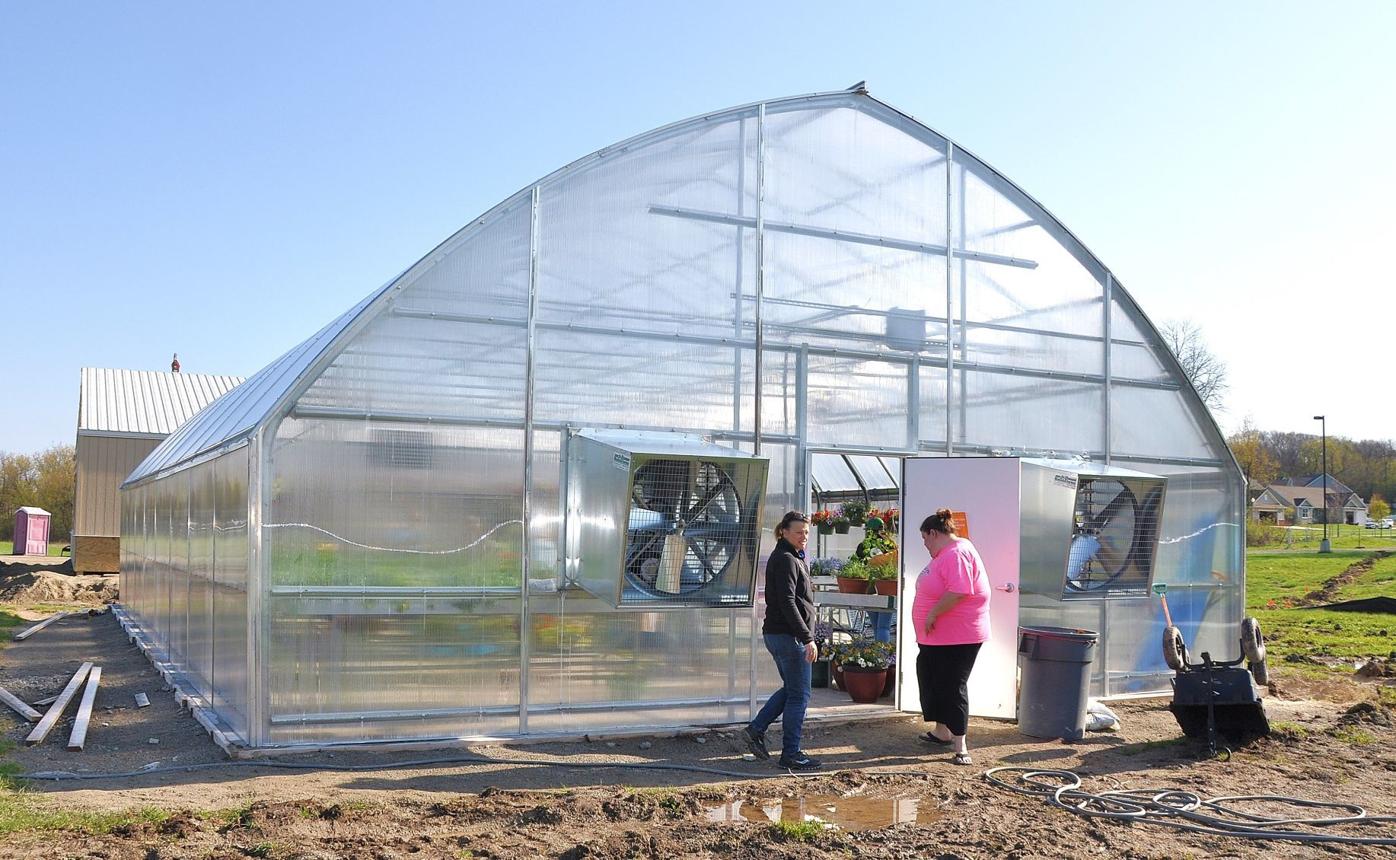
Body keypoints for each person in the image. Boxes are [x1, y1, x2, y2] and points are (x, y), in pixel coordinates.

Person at [740, 510, 821, 770]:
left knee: (791, 690)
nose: (803, 536)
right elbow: (787, 601)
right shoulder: (786, 559)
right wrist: (807, 637)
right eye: (798, 532)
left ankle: (756, 729)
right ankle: (791, 754)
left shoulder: (790, 556)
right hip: (789, 637)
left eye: (806, 532)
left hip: (779, 635)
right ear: (784, 531)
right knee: (800, 695)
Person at [912, 507, 991, 765]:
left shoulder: (956, 553)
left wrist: (933, 614)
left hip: (957, 636)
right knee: (931, 677)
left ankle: (961, 746)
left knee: (952, 685)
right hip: (938, 638)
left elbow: (960, 590)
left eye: (924, 538)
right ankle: (941, 731)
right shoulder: (948, 552)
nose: (924, 544)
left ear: (934, 533)